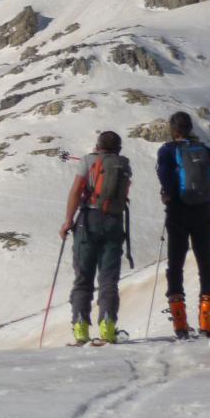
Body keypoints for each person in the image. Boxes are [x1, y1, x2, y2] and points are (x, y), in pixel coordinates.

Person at [58, 130, 134, 345]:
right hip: (114, 222)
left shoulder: (88, 161)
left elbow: (76, 191)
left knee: (83, 278)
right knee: (108, 279)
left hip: (88, 222)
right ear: (118, 148)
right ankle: (108, 327)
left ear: (98, 145)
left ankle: (81, 329)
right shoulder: (124, 165)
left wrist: (68, 221)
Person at [155, 111, 210, 337]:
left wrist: (168, 194)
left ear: (172, 129)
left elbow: (166, 182)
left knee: (175, 263)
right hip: (203, 212)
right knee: (205, 262)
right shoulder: (205, 151)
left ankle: (180, 324)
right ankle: (206, 321)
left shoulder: (167, 151)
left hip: (177, 212)